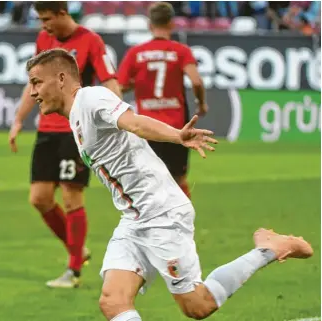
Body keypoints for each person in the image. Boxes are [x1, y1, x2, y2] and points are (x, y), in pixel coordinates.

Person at [26, 48, 313, 321]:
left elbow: (134, 122)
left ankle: (269, 249)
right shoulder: (76, 115)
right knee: (113, 300)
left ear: (61, 78)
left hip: (162, 214)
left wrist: (178, 136)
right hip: (134, 219)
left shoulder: (90, 99)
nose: (33, 92)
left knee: (197, 305)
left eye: (37, 82)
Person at [8, 1, 121, 288]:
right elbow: (33, 84)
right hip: (47, 129)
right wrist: (19, 119)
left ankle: (73, 271)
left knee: (72, 198)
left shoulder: (90, 40)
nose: (43, 25)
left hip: (76, 129)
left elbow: (109, 80)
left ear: (62, 13)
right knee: (40, 198)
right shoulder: (44, 39)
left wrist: (119, 116)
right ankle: (77, 249)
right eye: (40, 20)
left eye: (46, 19)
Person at [118, 2, 207, 199]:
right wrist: (201, 104)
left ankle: (149, 226)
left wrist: (138, 85)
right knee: (178, 179)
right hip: (176, 128)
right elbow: (196, 82)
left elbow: (120, 86)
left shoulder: (136, 53)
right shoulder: (181, 51)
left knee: (147, 182)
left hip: (146, 128)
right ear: (172, 24)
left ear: (150, 24)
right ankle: (183, 226)